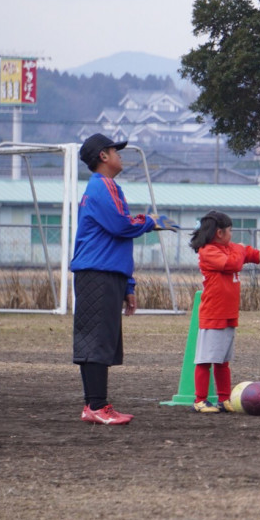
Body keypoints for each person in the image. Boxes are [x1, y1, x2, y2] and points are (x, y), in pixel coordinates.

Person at [72, 133, 174, 425]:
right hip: (97, 273)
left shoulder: (109, 187)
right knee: (95, 340)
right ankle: (97, 406)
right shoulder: (101, 186)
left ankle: (93, 405)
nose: (120, 154)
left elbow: (119, 237)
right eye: (115, 150)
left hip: (107, 273)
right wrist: (153, 222)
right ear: (103, 156)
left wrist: (129, 286)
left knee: (101, 340)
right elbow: (121, 226)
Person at [189, 211, 260, 413]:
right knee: (205, 360)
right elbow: (233, 263)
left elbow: (256, 255)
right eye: (230, 230)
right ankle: (200, 401)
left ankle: (224, 400)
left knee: (223, 361)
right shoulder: (208, 251)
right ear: (219, 232)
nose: (232, 235)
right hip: (213, 314)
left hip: (228, 314)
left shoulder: (231, 249)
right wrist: (240, 250)